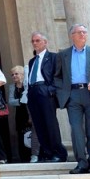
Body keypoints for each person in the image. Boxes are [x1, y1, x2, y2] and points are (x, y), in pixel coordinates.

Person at [54, 24, 90, 175]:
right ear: (72, 36)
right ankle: (81, 163)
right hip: (73, 95)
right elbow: (57, 76)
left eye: (84, 32)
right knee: (76, 130)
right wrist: (63, 92)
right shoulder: (63, 54)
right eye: (79, 32)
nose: (82, 34)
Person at [27, 31, 67, 163]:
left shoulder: (54, 57)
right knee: (39, 125)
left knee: (50, 123)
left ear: (45, 42)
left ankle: (58, 153)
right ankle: (47, 153)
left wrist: (50, 90)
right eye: (33, 41)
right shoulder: (32, 61)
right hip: (33, 92)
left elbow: (60, 76)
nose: (35, 43)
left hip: (45, 91)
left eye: (38, 40)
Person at [8, 66, 31, 163]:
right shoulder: (12, 87)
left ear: (22, 74)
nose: (14, 76)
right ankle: (24, 157)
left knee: (33, 134)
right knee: (21, 135)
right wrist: (22, 101)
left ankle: (35, 155)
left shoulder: (28, 85)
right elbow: (10, 101)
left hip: (29, 112)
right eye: (12, 74)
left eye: (16, 74)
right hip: (20, 114)